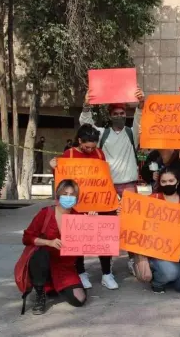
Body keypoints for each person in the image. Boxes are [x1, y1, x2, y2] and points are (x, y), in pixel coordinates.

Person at [49, 124, 119, 290]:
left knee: (104, 237)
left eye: (93, 146)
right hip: (78, 205)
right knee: (78, 238)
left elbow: (104, 179)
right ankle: (80, 272)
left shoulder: (100, 153)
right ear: (79, 141)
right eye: (87, 146)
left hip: (100, 203)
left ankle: (107, 273)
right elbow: (62, 181)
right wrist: (52, 167)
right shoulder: (69, 154)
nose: (90, 149)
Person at [22, 179, 86, 315]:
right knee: (40, 254)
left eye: (72, 195)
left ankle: (56, 287)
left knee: (79, 300)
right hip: (44, 262)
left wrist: (94, 220)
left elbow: (89, 241)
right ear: (58, 195)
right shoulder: (45, 213)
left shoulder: (79, 217)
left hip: (65, 267)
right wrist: (48, 242)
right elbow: (27, 238)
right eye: (65, 194)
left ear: (76, 198)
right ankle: (40, 292)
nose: (68, 197)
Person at [80, 87, 145, 195]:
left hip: (129, 186)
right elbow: (86, 124)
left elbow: (139, 119)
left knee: (127, 213)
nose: (119, 116)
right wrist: (86, 105)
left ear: (126, 115)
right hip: (106, 185)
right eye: (115, 114)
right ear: (110, 116)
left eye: (122, 113)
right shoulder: (102, 134)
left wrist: (141, 103)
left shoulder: (132, 133)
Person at [146, 168, 180, 294]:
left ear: (177, 182)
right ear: (160, 183)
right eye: (163, 182)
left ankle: (171, 274)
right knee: (171, 272)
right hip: (158, 249)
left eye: (171, 180)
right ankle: (157, 280)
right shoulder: (152, 199)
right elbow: (137, 218)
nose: (167, 184)